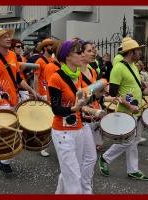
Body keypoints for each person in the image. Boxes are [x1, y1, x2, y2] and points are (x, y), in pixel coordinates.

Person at [98, 39, 148, 180]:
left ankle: (133, 170)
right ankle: (105, 158)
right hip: (126, 112)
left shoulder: (133, 66)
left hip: (136, 110)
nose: (140, 52)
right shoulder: (118, 68)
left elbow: (138, 89)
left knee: (135, 140)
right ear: (131, 52)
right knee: (127, 141)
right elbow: (114, 94)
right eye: (138, 50)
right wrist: (129, 106)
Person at [0, 28, 37, 173]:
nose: (8, 39)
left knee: (9, 130)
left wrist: (31, 90)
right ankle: (3, 161)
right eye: (5, 37)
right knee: (7, 130)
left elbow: (17, 78)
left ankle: (1, 160)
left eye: (8, 37)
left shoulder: (13, 55)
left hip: (14, 97)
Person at [48, 40, 92, 194]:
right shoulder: (56, 78)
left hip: (78, 129)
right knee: (74, 176)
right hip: (62, 132)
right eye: (79, 52)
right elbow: (55, 108)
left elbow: (78, 96)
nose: (82, 55)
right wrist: (74, 108)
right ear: (68, 56)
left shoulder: (79, 75)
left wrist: (85, 100)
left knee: (69, 172)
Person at [34, 38, 55, 157]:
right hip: (43, 93)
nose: (51, 46)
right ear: (44, 47)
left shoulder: (53, 60)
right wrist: (37, 93)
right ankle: (42, 145)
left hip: (52, 94)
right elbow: (36, 78)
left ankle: (52, 143)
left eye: (52, 45)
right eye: (49, 45)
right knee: (44, 121)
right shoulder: (39, 61)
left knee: (52, 120)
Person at [10, 38, 31, 102]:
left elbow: (25, 76)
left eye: (21, 46)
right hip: (12, 89)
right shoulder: (9, 59)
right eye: (18, 46)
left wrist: (31, 73)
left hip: (23, 89)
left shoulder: (23, 59)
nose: (20, 48)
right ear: (12, 48)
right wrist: (18, 71)